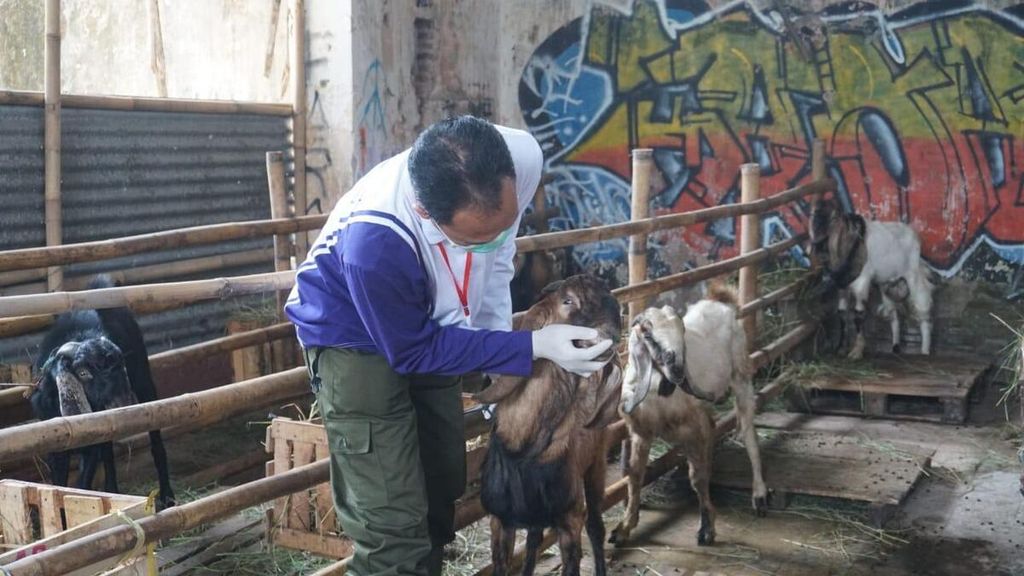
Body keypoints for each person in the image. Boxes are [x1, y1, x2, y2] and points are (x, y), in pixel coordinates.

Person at [284, 115, 613, 576]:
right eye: (476, 236)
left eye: (505, 221)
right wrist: (530, 346)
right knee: (393, 527)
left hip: (430, 317)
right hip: (354, 337)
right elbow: (413, 351)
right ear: (427, 215)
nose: (496, 238)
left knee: (441, 483)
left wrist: (504, 353)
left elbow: (499, 258)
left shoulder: (520, 157)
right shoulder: (374, 246)